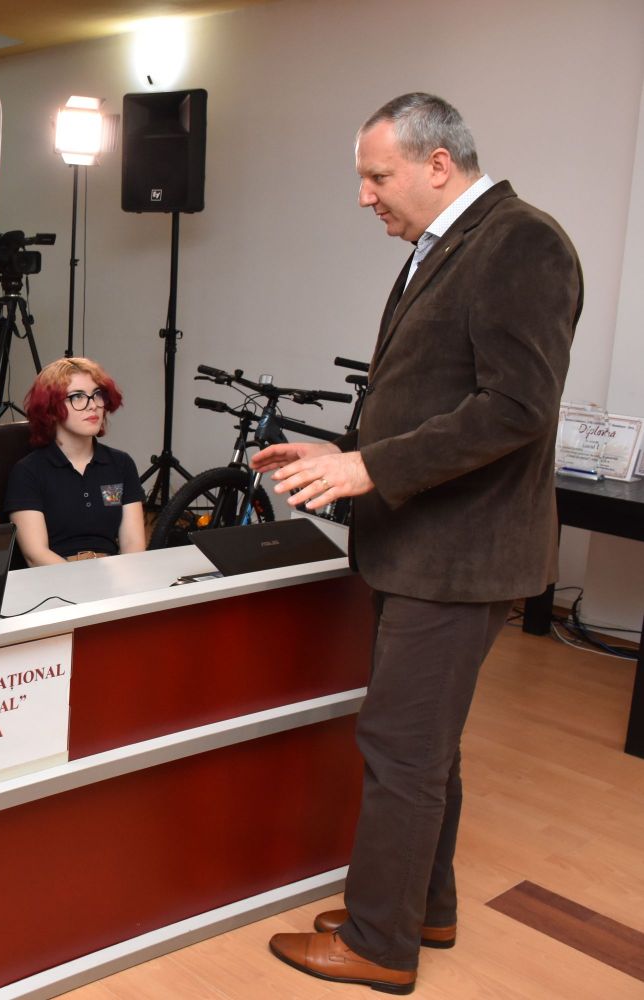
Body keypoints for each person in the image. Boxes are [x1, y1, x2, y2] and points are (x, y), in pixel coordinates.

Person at [255, 94, 582, 994]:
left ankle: (379, 942)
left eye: (377, 175)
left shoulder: (522, 242)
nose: (364, 196)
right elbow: (431, 396)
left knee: (400, 749)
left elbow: (515, 407)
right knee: (426, 743)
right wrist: (342, 454)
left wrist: (370, 469)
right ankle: (423, 907)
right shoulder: (445, 246)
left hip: (459, 554)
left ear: (439, 164)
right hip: (423, 545)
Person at [4, 357, 145, 565]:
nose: (93, 405)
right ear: (51, 408)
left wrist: (122, 580)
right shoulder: (28, 471)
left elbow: (134, 545)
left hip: (112, 572)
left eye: (98, 394)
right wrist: (83, 580)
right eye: (77, 397)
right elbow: (35, 555)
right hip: (56, 576)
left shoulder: (121, 464)